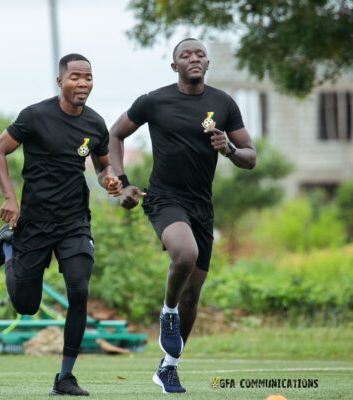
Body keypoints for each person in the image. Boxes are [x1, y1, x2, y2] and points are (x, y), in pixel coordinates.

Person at [109, 38, 256, 394]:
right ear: (174, 66)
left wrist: (229, 149)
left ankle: (168, 368)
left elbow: (250, 157)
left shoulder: (223, 103)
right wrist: (123, 182)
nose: (194, 58)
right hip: (163, 198)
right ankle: (167, 311)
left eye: (200, 54)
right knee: (184, 254)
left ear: (207, 64)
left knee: (193, 294)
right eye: (185, 55)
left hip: (202, 206)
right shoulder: (154, 101)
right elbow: (114, 134)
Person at [0, 53, 122, 396]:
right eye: (75, 77)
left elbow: (104, 165)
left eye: (88, 77)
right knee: (26, 305)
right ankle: (8, 245)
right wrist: (9, 198)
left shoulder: (94, 123)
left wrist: (109, 179)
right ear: (60, 81)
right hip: (34, 221)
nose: (83, 83)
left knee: (79, 289)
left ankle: (65, 377)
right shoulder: (34, 116)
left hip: (74, 220)